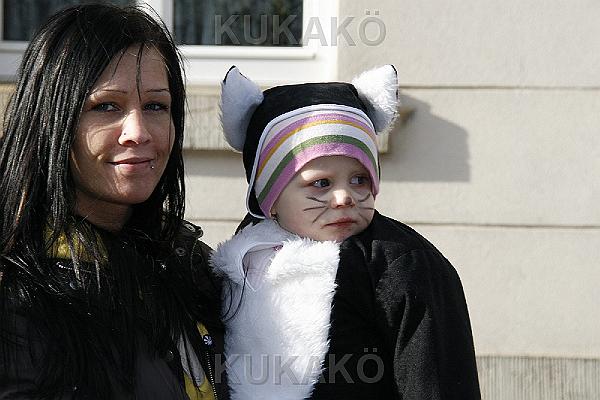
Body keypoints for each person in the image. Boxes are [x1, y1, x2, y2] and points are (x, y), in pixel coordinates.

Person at [211, 65, 481, 399]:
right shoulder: (244, 256)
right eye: (321, 183)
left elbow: (435, 375)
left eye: (359, 179)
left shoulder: (399, 263)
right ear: (271, 199)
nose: (344, 197)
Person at [0, 4, 227, 399]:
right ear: (50, 117)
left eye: (156, 106)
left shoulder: (190, 265)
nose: (138, 131)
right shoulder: (16, 288)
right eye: (106, 106)